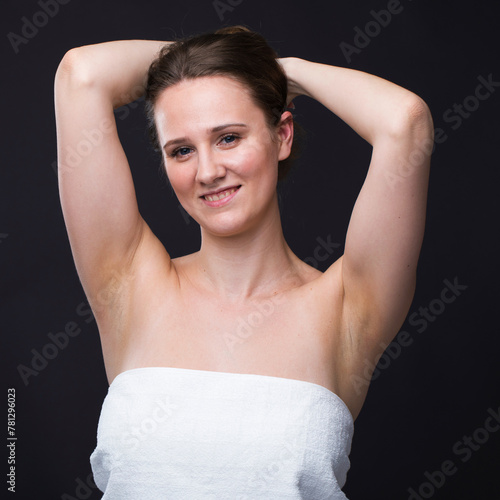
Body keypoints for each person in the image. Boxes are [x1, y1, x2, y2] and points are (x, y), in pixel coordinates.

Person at [54, 25, 433, 499]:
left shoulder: (346, 306)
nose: (208, 171)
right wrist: (218, 59)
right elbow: (81, 74)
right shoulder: (129, 282)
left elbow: (406, 122)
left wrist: (275, 69)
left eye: (229, 137)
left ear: (282, 136)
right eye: (182, 150)